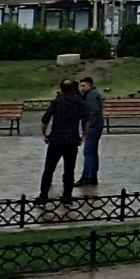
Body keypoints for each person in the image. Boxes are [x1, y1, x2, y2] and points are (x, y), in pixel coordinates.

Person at [37, 77, 87, 205]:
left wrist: (44, 133)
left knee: (49, 169)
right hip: (71, 141)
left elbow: (45, 119)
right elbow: (86, 120)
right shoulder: (79, 102)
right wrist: (83, 135)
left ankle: (43, 195)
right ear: (73, 89)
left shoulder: (57, 102)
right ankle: (67, 196)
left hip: (56, 140)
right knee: (69, 170)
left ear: (61, 89)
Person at [76, 74, 104, 189]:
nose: (81, 88)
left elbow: (94, 111)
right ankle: (92, 176)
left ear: (90, 85)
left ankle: (86, 176)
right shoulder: (92, 94)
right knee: (92, 152)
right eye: (80, 86)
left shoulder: (91, 95)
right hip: (96, 127)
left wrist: (88, 126)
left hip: (92, 128)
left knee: (88, 152)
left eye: (84, 85)